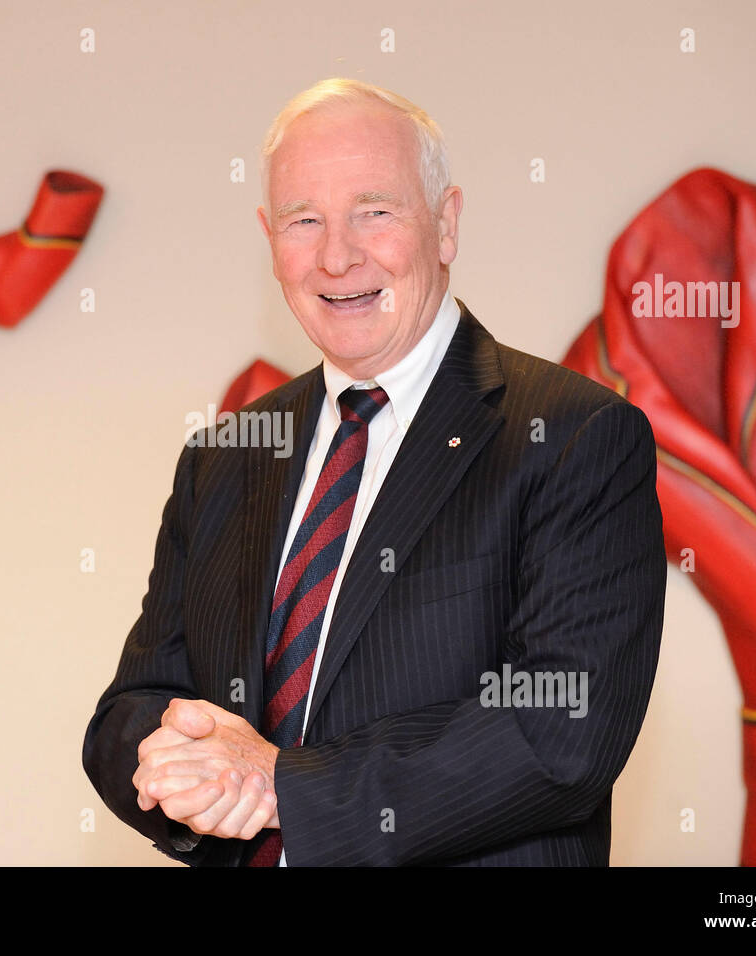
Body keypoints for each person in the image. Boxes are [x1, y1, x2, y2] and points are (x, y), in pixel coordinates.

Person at [82, 78, 666, 866]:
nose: (336, 254)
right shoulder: (225, 456)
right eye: (304, 220)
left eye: (374, 211)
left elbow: (558, 730)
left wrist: (285, 783)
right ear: (268, 237)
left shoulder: (573, 437)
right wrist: (174, 759)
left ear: (446, 224)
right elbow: (136, 703)